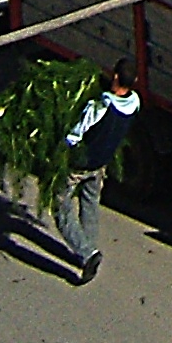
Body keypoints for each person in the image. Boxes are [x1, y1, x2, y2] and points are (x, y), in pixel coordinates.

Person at [55, 75, 141, 284]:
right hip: (101, 163)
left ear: (116, 77)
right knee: (90, 202)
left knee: (61, 206)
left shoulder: (102, 105)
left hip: (82, 164)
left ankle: (88, 254)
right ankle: (88, 250)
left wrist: (62, 148)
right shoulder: (135, 103)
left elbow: (76, 134)